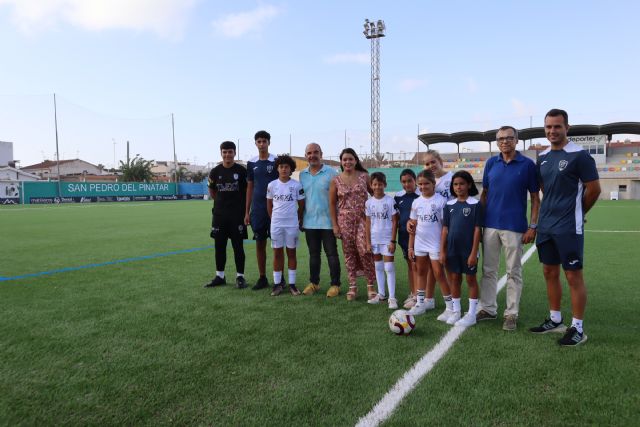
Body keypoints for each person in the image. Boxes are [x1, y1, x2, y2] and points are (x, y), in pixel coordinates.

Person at [530, 108, 600, 346]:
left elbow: (594, 190)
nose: (552, 131)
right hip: (546, 225)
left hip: (569, 226)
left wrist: (579, 213)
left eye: (557, 126)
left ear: (567, 128)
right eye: (548, 127)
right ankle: (555, 319)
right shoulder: (543, 157)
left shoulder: (580, 156)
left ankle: (578, 328)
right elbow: (544, 188)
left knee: (573, 275)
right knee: (549, 272)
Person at [476, 125, 540, 331]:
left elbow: (535, 198)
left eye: (509, 138)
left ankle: (511, 313)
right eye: (501, 139)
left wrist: (533, 226)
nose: (504, 141)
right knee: (488, 270)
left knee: (514, 271)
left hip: (514, 227)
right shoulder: (491, 163)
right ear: (497, 142)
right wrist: (479, 222)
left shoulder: (528, 165)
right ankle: (487, 308)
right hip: (490, 225)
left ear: (516, 140)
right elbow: (484, 193)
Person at [329, 148, 376, 301]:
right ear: (341, 162)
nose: (347, 162)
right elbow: (332, 204)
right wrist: (335, 225)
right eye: (344, 160)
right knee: (348, 253)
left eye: (350, 159)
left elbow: (376, 195)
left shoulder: (364, 177)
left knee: (365, 251)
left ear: (355, 160)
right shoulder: (335, 180)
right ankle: (353, 286)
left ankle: (370, 285)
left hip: (363, 219)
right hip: (344, 221)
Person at [407, 170, 454, 322]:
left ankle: (450, 307)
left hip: (435, 244)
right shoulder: (416, 202)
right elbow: (412, 226)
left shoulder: (441, 201)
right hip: (419, 243)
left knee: (439, 274)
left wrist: (442, 248)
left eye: (426, 183)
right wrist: (410, 247)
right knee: (421, 272)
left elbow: (445, 228)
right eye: (420, 184)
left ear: (434, 184)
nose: (423, 186)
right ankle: (421, 303)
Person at [299, 143, 341, 297]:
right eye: (309, 153)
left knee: (332, 254)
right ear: (306, 156)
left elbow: (338, 198)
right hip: (309, 222)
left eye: (315, 152)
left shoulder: (332, 172)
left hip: (329, 222)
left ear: (321, 154)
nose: (312, 155)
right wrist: (300, 219)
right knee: (314, 255)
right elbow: (301, 199)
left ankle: (335, 285)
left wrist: (337, 222)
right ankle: (314, 283)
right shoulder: (302, 175)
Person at [441, 171, 483, 326]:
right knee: (455, 279)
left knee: (470, 279)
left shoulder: (475, 204)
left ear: (469, 185)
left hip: (468, 250)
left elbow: (478, 230)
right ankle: (456, 311)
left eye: (462, 184)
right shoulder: (449, 205)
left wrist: (473, 253)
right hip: (452, 249)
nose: (458, 187)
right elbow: (445, 229)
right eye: (455, 184)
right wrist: (443, 250)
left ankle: (471, 314)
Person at [204, 141, 248, 289]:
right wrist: (220, 203)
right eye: (225, 152)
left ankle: (240, 277)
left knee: (238, 246)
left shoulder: (241, 171)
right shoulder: (215, 172)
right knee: (219, 246)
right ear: (221, 153)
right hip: (220, 215)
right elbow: (212, 191)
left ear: (234, 153)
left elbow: (247, 192)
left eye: (230, 152)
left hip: (237, 215)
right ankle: (220, 276)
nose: (227, 154)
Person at [266, 155, 305, 296]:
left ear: (291, 169)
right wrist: (273, 219)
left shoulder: (296, 185)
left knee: (291, 253)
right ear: (277, 168)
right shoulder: (272, 185)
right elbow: (269, 205)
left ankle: (292, 285)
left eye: (286, 167)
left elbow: (301, 205)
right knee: (277, 253)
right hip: (276, 224)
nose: (284, 169)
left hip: (292, 225)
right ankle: (277, 285)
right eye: (281, 167)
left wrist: (298, 218)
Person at [245, 130, 278, 291]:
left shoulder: (276, 160)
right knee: (260, 243)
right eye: (259, 141)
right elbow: (250, 187)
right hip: (257, 210)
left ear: (269, 143)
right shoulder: (251, 163)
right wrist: (247, 211)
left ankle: (279, 278)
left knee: (277, 245)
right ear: (255, 143)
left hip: (275, 209)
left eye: (264, 141)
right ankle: (262, 277)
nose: (262, 144)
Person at [365, 172, 399, 309]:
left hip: (387, 239)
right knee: (378, 266)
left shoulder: (390, 201)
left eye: (380, 184)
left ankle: (392, 297)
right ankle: (381, 294)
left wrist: (392, 241)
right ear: (371, 186)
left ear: (384, 185)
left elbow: (395, 221)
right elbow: (368, 223)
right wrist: (368, 242)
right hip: (374, 239)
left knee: (389, 267)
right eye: (375, 184)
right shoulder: (368, 202)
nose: (377, 186)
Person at [394, 169, 421, 309]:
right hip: (404, 237)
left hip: (418, 237)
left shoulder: (421, 196)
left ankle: (419, 296)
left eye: (409, 181)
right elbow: (396, 217)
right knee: (410, 266)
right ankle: (413, 293)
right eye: (404, 182)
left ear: (415, 180)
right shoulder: (398, 197)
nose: (407, 184)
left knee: (416, 266)